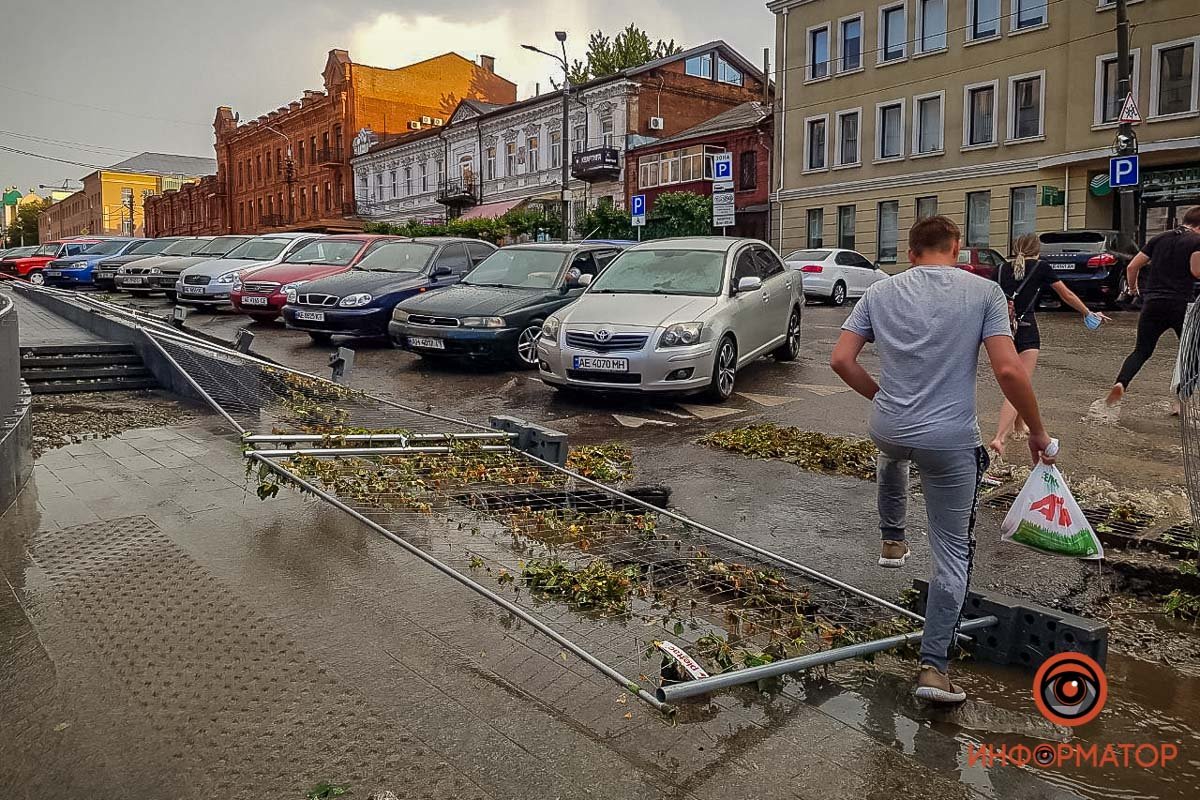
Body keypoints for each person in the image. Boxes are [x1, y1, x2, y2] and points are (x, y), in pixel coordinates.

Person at [831, 215, 1055, 704]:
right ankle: (934, 667)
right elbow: (1008, 370)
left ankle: (892, 539)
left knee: (892, 456)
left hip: (889, 427)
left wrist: (882, 398)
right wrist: (1036, 432)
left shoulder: (880, 292)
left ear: (911, 252)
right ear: (956, 246)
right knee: (953, 552)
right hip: (949, 441)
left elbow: (841, 360)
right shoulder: (984, 294)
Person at [988, 233, 1109, 457]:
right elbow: (1067, 294)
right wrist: (1088, 313)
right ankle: (999, 438)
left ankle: (1018, 426)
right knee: (1019, 386)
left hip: (1002, 332)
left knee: (1021, 380)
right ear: (1038, 249)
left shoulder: (1000, 270)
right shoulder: (1041, 268)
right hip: (1026, 331)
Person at [1095, 207, 1200, 418]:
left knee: (1141, 351)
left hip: (1152, 304)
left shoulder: (1159, 238)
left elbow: (1132, 267)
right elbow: (1196, 272)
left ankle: (1120, 384)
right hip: (1182, 305)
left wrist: (1134, 291)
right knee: (1192, 354)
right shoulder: (1196, 242)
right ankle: (1180, 400)